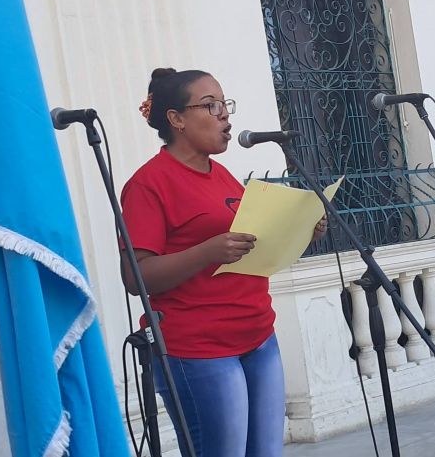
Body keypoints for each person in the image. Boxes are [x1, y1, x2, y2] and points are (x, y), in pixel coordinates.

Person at [119, 68, 327, 457]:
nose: (225, 115)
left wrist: (301, 230)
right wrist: (206, 252)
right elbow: (136, 275)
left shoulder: (224, 176)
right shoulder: (149, 184)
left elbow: (250, 246)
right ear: (176, 119)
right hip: (200, 348)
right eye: (210, 105)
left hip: (257, 334)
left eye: (225, 104)